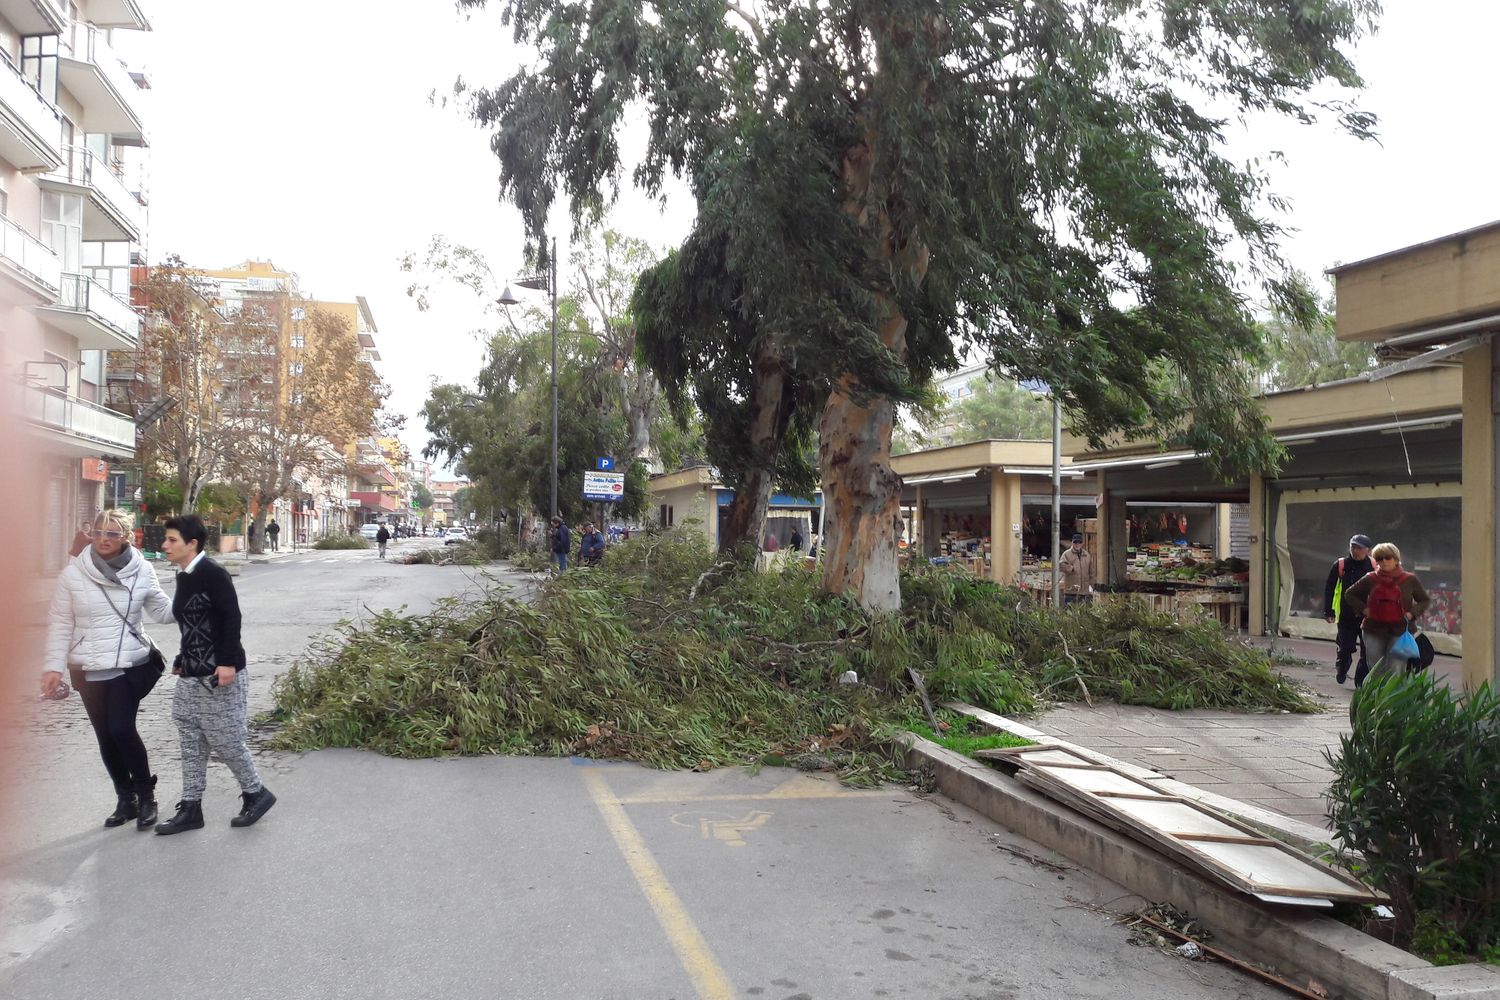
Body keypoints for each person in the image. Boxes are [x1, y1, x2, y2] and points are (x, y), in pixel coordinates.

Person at [42, 510, 174, 830]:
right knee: (105, 735)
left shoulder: (142, 569)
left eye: (112, 533)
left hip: (128, 663)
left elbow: (162, 610)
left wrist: (196, 594)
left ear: (125, 538)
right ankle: (125, 799)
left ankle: (146, 798)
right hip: (87, 667)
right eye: (99, 531)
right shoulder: (72, 574)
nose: (104, 538)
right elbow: (60, 623)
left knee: (121, 728)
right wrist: (52, 667)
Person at [155, 514, 276, 834]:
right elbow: (193, 625)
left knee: (225, 739)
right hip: (191, 675)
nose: (164, 545)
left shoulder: (212, 573)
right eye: (166, 539)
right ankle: (191, 808)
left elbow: (230, 619)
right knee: (190, 737)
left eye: (171, 540)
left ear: (191, 544)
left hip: (219, 674)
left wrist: (226, 662)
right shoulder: (184, 575)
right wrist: (183, 656)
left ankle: (256, 793)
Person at [1341, 542, 1430, 687]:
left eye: (1387, 557)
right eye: (1379, 558)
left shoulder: (1409, 579)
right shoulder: (1370, 578)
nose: (1383, 561)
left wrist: (1411, 614)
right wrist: (1364, 610)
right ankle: (1377, 701)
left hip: (1400, 630)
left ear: (1396, 559)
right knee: (1376, 668)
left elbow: (1424, 600)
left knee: (1396, 668)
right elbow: (1350, 594)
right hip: (1373, 629)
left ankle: (1394, 703)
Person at [1323, 533, 1375, 685]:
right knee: (1346, 648)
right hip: (1346, 615)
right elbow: (1329, 588)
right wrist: (1328, 611)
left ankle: (1361, 682)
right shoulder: (1340, 565)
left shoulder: (1373, 565)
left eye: (1359, 548)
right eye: (1353, 547)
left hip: (1367, 616)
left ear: (1367, 550)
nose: (1355, 551)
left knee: (1367, 652)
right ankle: (1342, 667)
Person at [1058, 532, 1093, 607]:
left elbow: (1091, 572)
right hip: (1071, 591)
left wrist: (1092, 585)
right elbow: (1061, 565)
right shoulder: (1066, 554)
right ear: (1072, 543)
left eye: (1079, 542)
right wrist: (1071, 568)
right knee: (1069, 613)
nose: (1077, 544)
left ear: (1082, 543)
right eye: (1075, 542)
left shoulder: (1087, 555)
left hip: (1084, 591)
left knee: (1083, 614)